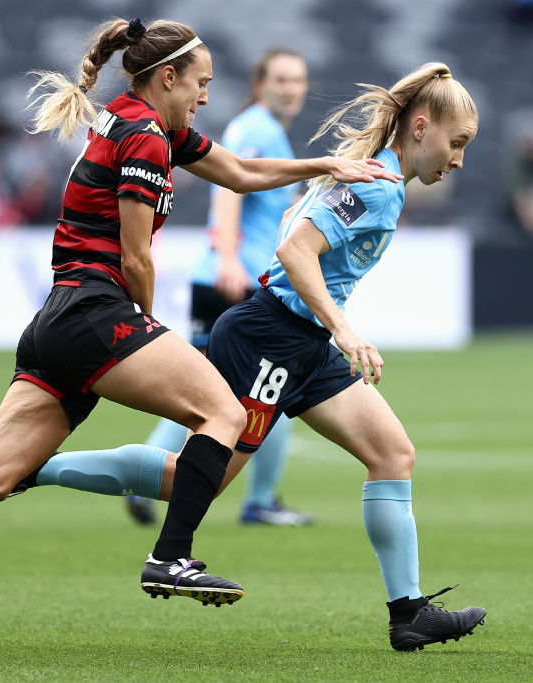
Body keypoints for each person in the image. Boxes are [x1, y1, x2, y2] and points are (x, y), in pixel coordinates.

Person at [0, 17, 400, 606]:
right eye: (202, 84)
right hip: (96, 312)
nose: (206, 97)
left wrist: (323, 163)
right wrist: (147, 324)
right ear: (168, 78)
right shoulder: (145, 140)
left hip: (55, 323)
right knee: (224, 411)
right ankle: (171, 558)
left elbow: (235, 171)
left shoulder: (135, 122)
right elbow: (135, 258)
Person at [27, 61, 487, 651]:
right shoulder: (375, 186)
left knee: (393, 453)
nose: (459, 159)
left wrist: (330, 331)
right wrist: (344, 329)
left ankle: (409, 613)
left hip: (304, 345)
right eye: (457, 143)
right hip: (268, 336)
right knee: (193, 480)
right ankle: (34, 469)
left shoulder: (383, 182)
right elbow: (295, 251)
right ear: (420, 128)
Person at [127, 48, 314, 528]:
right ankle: (257, 500)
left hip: (226, 277)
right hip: (237, 280)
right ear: (260, 83)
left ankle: (143, 471)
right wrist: (230, 257)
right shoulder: (258, 128)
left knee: (213, 390)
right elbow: (232, 187)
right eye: (281, 80)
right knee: (267, 390)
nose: (291, 89)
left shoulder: (259, 128)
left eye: (298, 80)